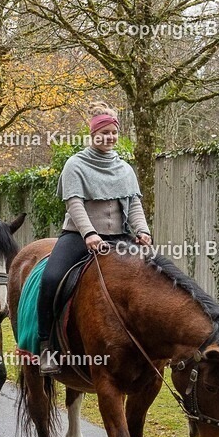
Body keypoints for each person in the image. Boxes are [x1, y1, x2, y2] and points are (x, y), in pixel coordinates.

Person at [37, 102, 153, 375]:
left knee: (153, 279)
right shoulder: (75, 165)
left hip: (120, 238)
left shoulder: (125, 169)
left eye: (113, 132)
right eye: (103, 132)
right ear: (93, 134)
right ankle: (45, 345)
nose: (109, 137)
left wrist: (143, 231)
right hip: (79, 236)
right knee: (51, 279)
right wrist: (89, 234)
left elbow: (134, 205)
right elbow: (75, 204)